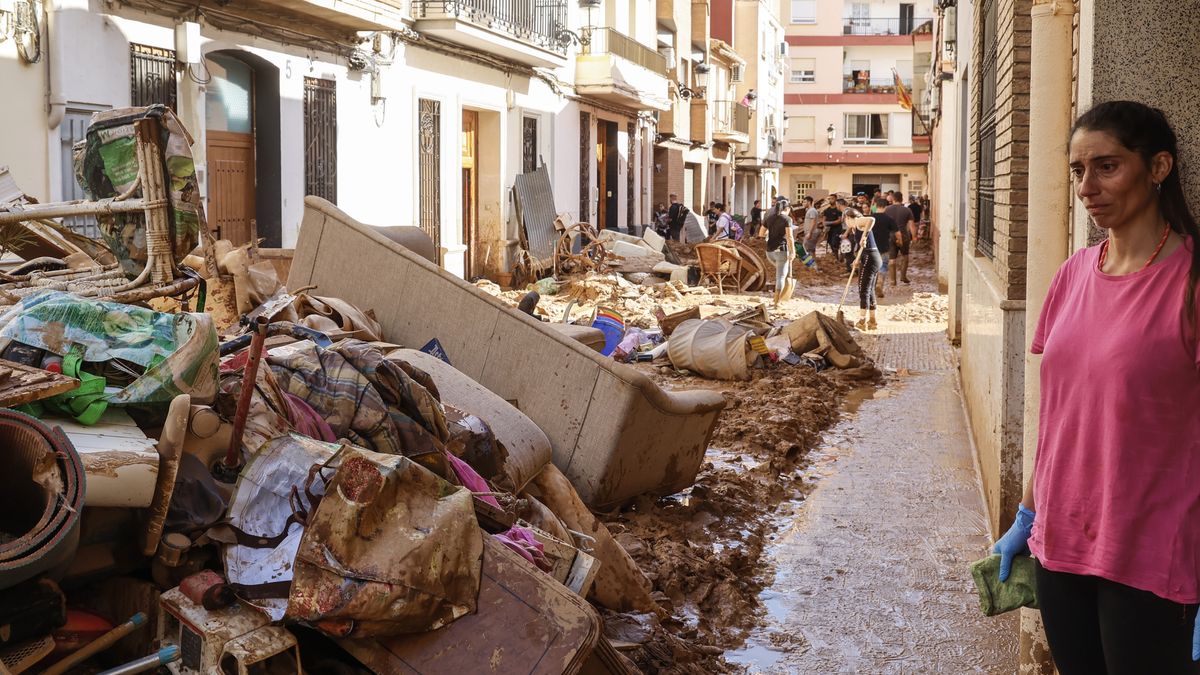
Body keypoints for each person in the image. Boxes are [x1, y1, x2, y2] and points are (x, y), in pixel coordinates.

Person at [991, 101, 1200, 673]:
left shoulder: (1191, 282)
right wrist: (1028, 517)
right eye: (1079, 170)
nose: (1087, 186)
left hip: (1153, 553)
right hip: (1060, 541)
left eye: (1106, 166)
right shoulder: (1072, 273)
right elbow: (1061, 415)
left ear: (1158, 168)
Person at [844, 208, 880, 330]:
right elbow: (861, 248)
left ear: (848, 218)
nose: (846, 223)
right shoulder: (856, 228)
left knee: (863, 289)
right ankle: (873, 321)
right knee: (869, 290)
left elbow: (872, 219)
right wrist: (857, 260)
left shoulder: (859, 221)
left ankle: (862, 321)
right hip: (871, 257)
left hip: (870, 257)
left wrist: (864, 236)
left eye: (845, 220)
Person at [763, 202, 796, 306]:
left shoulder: (769, 218)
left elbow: (761, 233)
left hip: (769, 252)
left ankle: (777, 298)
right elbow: (790, 237)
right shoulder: (787, 219)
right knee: (781, 277)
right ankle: (776, 302)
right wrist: (793, 251)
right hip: (781, 250)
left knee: (780, 273)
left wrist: (772, 232)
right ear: (787, 209)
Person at [870, 197, 899, 298]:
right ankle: (880, 283)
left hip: (871, 248)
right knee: (883, 267)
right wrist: (899, 241)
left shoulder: (870, 218)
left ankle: (872, 288)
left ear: (875, 206)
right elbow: (897, 233)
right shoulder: (889, 219)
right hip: (884, 247)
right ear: (885, 207)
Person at [884, 195, 915, 286]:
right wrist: (914, 237)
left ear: (893, 200)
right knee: (905, 256)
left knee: (892, 259)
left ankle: (893, 281)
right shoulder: (907, 210)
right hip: (903, 235)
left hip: (890, 235)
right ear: (902, 200)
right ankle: (903, 276)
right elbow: (911, 225)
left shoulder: (886, 209)